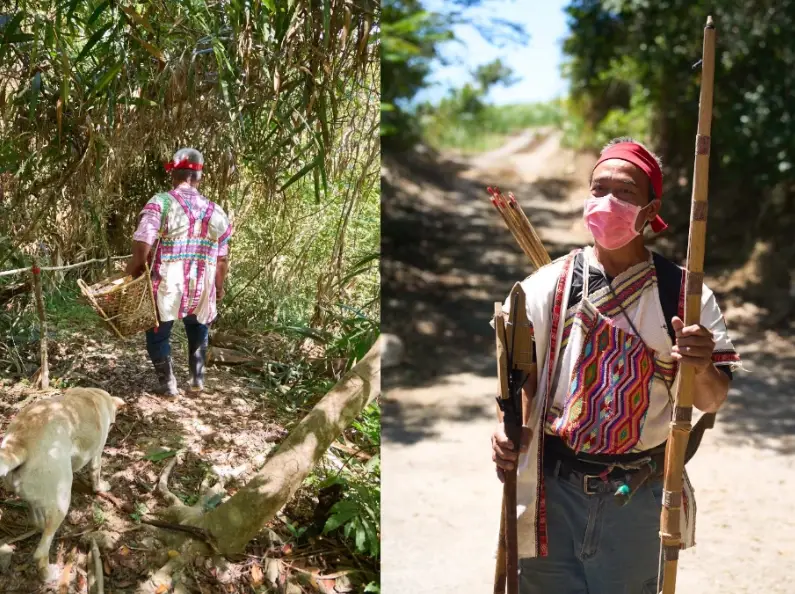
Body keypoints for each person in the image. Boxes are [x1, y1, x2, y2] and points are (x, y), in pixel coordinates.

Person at [490, 137, 741, 593]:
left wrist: (702, 364)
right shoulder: (548, 286)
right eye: (599, 189)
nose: (608, 202)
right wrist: (511, 433)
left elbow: (712, 399)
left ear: (650, 209)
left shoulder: (685, 296)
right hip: (553, 496)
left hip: (639, 499)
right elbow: (522, 378)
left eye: (625, 192)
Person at [126, 148, 233, 397]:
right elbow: (222, 258)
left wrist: (132, 273)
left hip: (167, 284)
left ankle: (168, 384)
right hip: (201, 287)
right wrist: (218, 287)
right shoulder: (217, 212)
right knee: (198, 329)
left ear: (173, 174)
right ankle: (196, 380)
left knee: (158, 334)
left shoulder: (161, 203)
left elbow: (143, 242)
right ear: (200, 177)